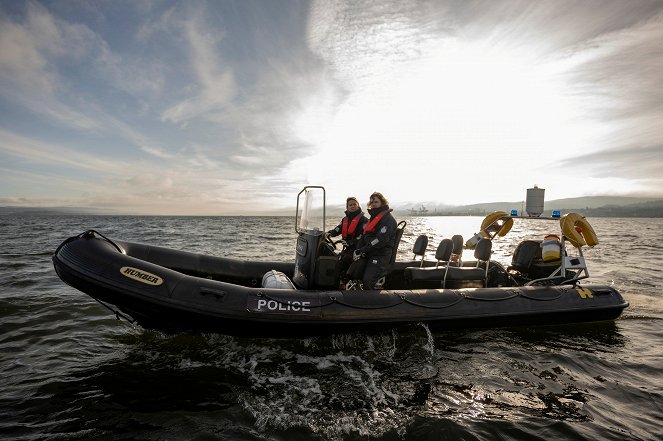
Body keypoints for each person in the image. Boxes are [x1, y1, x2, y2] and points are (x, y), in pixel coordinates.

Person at [353, 192, 397, 289]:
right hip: (372, 252)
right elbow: (365, 236)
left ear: (382, 203)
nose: (373, 204)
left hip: (381, 255)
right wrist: (358, 249)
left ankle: (371, 302)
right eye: (372, 202)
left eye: (376, 201)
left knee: (367, 281)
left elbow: (380, 240)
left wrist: (363, 250)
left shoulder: (387, 220)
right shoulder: (374, 219)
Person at [326, 196, 368, 271]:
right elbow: (338, 229)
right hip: (347, 249)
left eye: (354, 204)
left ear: (358, 205)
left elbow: (364, 237)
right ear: (347, 207)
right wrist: (329, 234)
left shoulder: (364, 220)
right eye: (350, 205)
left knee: (344, 260)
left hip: (357, 250)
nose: (352, 206)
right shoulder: (345, 220)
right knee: (333, 258)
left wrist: (350, 243)